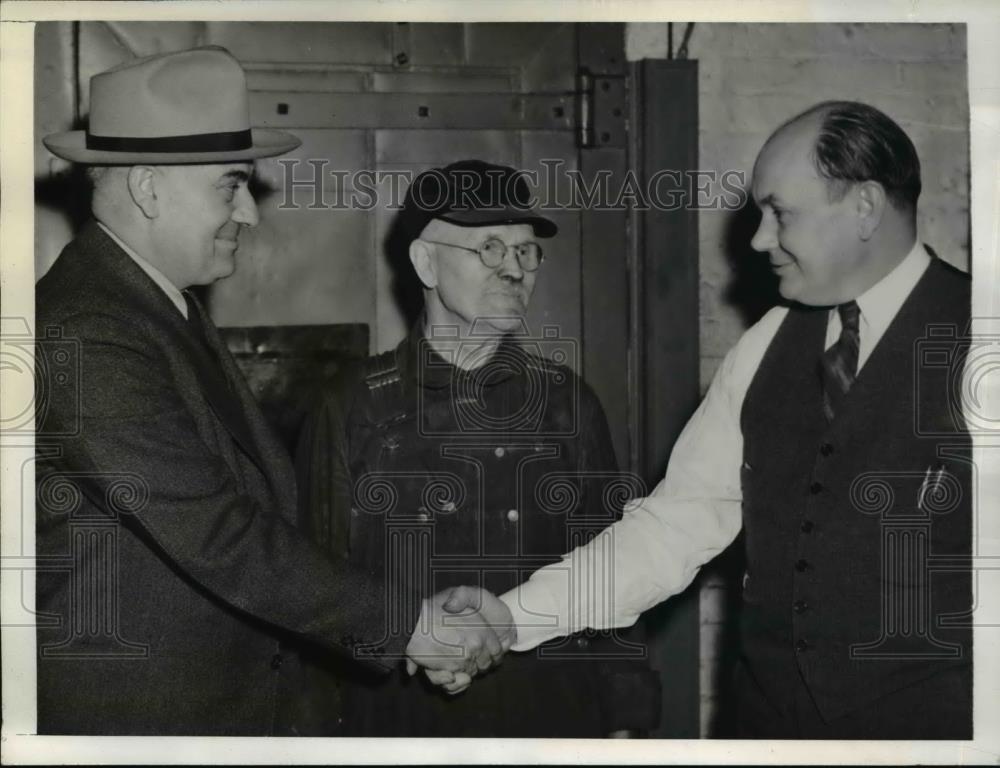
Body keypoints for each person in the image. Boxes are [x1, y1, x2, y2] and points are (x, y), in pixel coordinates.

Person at [445, 101, 973, 739]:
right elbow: (675, 525)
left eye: (780, 214)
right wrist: (511, 617)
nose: (757, 240)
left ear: (863, 207)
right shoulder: (767, 342)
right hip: (767, 728)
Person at [35, 47, 506, 736]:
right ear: (147, 189)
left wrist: (408, 613)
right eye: (231, 186)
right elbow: (218, 533)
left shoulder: (160, 307)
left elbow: (251, 522)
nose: (250, 215)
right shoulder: (90, 328)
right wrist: (408, 623)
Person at [295, 160, 661, 737]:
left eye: (525, 251)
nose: (514, 269)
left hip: (549, 721)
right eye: (489, 248)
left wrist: (625, 724)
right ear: (425, 262)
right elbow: (313, 588)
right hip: (398, 726)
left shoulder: (567, 404)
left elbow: (608, 573)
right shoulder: (352, 407)